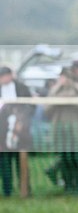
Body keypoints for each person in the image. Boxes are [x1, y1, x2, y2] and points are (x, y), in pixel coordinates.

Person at [44, 67, 78, 194]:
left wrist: (71, 99)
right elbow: (47, 109)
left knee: (76, 158)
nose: (62, 79)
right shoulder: (55, 90)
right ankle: (68, 186)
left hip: (77, 131)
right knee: (64, 159)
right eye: (61, 77)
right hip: (60, 131)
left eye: (65, 77)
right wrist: (58, 99)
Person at [0, 66, 34, 197]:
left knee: (21, 161)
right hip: (3, 131)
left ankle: (25, 189)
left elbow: (30, 106)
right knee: (5, 161)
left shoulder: (21, 88)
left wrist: (22, 122)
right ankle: (7, 190)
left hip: (20, 130)